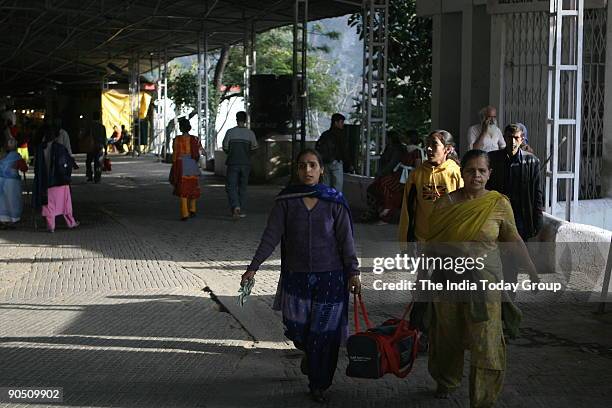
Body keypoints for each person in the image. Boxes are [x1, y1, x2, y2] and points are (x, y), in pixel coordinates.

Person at [241, 148, 361, 403]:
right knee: (297, 329)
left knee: (325, 333)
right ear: (297, 170)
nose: (308, 170)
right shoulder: (286, 200)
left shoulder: (334, 201)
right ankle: (310, 353)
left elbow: (346, 240)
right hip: (296, 279)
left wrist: (353, 272)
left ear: (321, 170)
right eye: (303, 166)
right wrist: (253, 267)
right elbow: (270, 236)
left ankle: (319, 383)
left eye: (313, 165)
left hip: (331, 278)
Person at [425, 149, 539, 408]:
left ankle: (483, 398)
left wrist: (532, 271)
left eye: (482, 171)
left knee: (486, 339)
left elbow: (514, 239)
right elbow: (430, 246)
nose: (476, 175)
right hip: (447, 280)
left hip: (486, 283)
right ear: (461, 172)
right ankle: (446, 379)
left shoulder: (498, 203)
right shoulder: (445, 204)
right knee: (447, 334)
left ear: (490, 174)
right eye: (470, 170)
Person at [398, 130, 463, 243]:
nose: (428, 148)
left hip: (449, 243)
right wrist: (405, 243)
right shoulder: (416, 175)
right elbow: (407, 210)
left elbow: (463, 211)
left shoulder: (457, 174)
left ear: (448, 149)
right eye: (427, 144)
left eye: (434, 144)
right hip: (421, 242)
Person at [487, 123, 543, 242]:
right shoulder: (492, 159)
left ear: (522, 139)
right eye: (509, 137)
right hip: (497, 213)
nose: (512, 141)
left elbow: (537, 193)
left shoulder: (531, 161)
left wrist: (538, 219)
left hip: (520, 215)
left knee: (519, 250)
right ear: (504, 138)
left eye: (516, 138)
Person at [364, 130, 424, 224]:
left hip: (405, 178)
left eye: (406, 137)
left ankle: (387, 211)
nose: (403, 138)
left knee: (387, 185)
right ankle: (380, 211)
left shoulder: (416, 151)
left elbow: (418, 167)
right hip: (399, 175)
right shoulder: (405, 149)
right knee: (379, 185)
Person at [33, 125, 79, 233]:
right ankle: (71, 223)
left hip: (45, 183)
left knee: (49, 206)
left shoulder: (40, 149)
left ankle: (51, 227)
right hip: (60, 182)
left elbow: (36, 166)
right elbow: (65, 164)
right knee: (66, 205)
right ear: (55, 137)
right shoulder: (60, 148)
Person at [222, 111, 258, 219]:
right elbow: (255, 148)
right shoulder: (250, 133)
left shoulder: (230, 132)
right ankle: (241, 209)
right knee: (243, 187)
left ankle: (235, 206)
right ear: (246, 120)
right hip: (246, 164)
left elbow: (225, 147)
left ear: (236, 119)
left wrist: (232, 153)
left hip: (233, 163)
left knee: (231, 186)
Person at [169, 117, 204, 221]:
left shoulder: (176, 140)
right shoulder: (195, 139)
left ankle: (185, 213)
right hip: (192, 164)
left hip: (181, 165)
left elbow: (175, 154)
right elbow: (200, 151)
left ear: (180, 128)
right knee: (193, 186)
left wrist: (174, 167)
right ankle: (193, 209)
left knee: (182, 189)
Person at [315, 113, 352, 192]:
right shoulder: (341, 134)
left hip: (325, 164)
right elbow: (344, 150)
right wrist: (349, 164)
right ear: (336, 123)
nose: (343, 124)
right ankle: (335, 204)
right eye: (341, 122)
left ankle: (325, 203)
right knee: (337, 189)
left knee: (325, 188)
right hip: (336, 164)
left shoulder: (325, 134)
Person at [0, 137, 28, 228]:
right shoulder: (17, 157)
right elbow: (24, 168)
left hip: (1, 181)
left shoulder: (2, 156)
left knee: (3, 201)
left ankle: (3, 219)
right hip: (12, 183)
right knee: (13, 200)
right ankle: (13, 219)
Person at [85, 112, 106, 183]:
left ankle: (89, 176)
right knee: (98, 162)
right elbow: (104, 138)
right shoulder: (102, 127)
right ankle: (97, 178)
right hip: (100, 146)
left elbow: (85, 135)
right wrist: (105, 149)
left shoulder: (90, 126)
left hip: (91, 147)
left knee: (88, 162)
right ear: (99, 118)